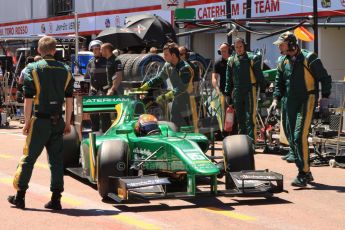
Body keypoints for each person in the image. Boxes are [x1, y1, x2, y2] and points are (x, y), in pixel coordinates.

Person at [7, 36, 74, 210]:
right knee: (57, 162)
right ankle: (56, 199)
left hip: (40, 120)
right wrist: (67, 122)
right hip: (58, 120)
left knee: (28, 159)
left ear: (39, 50)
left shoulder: (33, 69)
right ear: (54, 50)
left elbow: (28, 99)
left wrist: (26, 122)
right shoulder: (65, 70)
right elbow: (69, 100)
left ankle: (20, 197)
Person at [270, 31, 332, 187]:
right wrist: (275, 99)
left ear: (291, 44)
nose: (280, 48)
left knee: (299, 136)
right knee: (291, 137)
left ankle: (303, 173)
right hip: (289, 102)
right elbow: (279, 82)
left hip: (307, 99)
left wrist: (324, 98)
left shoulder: (309, 58)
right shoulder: (282, 61)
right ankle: (306, 171)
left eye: (282, 45)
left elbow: (324, 78)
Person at [137, 42, 197, 131]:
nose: (163, 57)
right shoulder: (167, 65)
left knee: (187, 125)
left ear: (173, 55)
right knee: (174, 122)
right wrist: (146, 86)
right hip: (177, 98)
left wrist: (166, 96)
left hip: (188, 100)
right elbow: (159, 78)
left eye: (166, 54)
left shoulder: (185, 68)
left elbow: (182, 88)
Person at [225, 37, 267, 142]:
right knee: (240, 118)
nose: (238, 49)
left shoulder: (252, 58)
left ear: (244, 46)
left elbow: (259, 75)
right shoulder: (231, 60)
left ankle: (251, 142)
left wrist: (262, 90)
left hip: (250, 90)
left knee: (250, 117)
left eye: (240, 46)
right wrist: (227, 93)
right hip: (237, 91)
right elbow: (228, 79)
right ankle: (242, 142)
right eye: (236, 47)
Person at [84, 40, 110, 132]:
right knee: (93, 114)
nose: (95, 51)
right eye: (93, 49)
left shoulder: (108, 61)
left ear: (101, 50)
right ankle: (95, 133)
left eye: (97, 49)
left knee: (105, 115)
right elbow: (87, 77)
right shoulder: (90, 63)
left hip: (105, 91)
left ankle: (106, 134)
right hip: (93, 92)